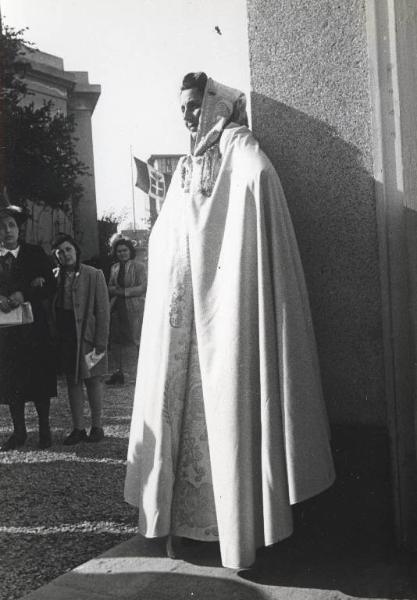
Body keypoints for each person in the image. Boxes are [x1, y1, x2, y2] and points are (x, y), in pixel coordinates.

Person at [124, 73, 335, 569]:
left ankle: (234, 529)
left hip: (224, 316)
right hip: (185, 325)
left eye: (195, 105)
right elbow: (168, 231)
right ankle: (183, 524)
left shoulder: (237, 144)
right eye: (183, 107)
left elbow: (258, 178)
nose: (188, 115)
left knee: (227, 413)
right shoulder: (186, 166)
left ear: (216, 103)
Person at [0, 205, 56, 451]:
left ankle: (44, 429)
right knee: (12, 380)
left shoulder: (34, 253)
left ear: (19, 228)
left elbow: (50, 284)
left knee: (39, 377)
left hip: (34, 329)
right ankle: (19, 431)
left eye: (11, 225)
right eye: (2, 226)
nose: (7, 230)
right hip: (6, 332)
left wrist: (27, 292)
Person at [52, 233, 110, 445]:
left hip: (88, 336)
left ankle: (97, 426)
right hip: (66, 335)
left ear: (76, 250)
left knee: (93, 380)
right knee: (73, 381)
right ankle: (78, 428)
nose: (65, 254)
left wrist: (101, 342)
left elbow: (103, 311)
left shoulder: (94, 274)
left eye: (68, 249)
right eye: (59, 251)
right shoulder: (55, 276)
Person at [106, 235, 147, 385]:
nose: (122, 253)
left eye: (124, 250)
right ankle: (119, 372)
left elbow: (143, 287)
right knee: (116, 341)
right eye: (119, 251)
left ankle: (140, 374)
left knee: (136, 339)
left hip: (135, 307)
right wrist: (116, 291)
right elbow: (110, 287)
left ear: (130, 251)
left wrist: (123, 292)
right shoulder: (114, 268)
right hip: (117, 307)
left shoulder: (139, 266)